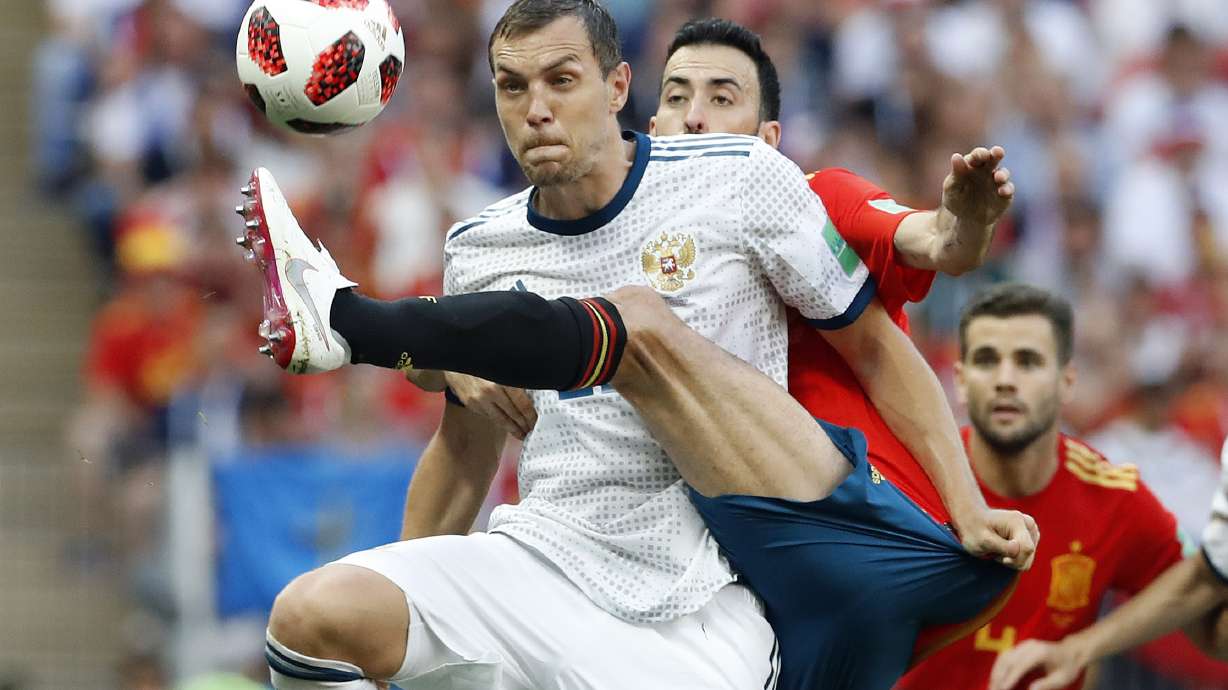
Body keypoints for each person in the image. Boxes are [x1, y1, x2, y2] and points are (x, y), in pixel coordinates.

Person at [241, 4, 1034, 690]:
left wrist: (967, 505)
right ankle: (348, 322)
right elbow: (467, 447)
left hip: (701, 595)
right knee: (311, 616)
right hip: (542, 555)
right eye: (513, 88)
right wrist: (411, 592)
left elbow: (881, 345)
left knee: (637, 322)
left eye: (561, 81)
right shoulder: (480, 249)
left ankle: (351, 322)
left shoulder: (743, 176)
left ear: (618, 87)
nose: (536, 110)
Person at [896, 283, 1191, 690]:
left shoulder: (1113, 497)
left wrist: (1084, 647)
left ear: (1067, 381)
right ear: (960, 381)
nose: (1005, 380)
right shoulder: (908, 479)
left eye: (1028, 361)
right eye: (986, 360)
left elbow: (1196, 597)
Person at [986, 437, 1228, 690]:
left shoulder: (1117, 495)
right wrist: (1076, 650)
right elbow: (1204, 586)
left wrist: (1077, 650)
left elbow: (1207, 611)